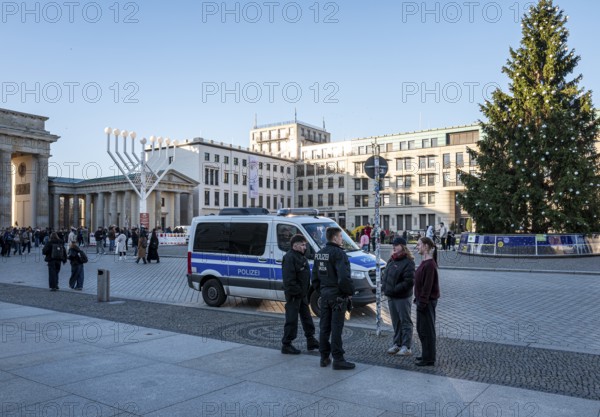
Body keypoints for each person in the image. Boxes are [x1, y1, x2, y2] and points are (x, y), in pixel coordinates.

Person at [311, 227, 355, 370]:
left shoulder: (319, 254)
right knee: (336, 328)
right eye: (341, 236)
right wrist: (349, 292)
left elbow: (315, 278)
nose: (342, 239)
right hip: (337, 296)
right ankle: (338, 359)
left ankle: (324, 357)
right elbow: (344, 278)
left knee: (324, 327)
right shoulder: (339, 254)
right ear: (335, 238)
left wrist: (322, 291)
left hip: (325, 295)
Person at [281, 234, 319, 354]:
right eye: (302, 245)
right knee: (291, 320)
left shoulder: (301, 256)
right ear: (295, 246)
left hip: (302, 295)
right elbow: (289, 280)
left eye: (305, 245)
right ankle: (286, 344)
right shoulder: (289, 258)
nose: (305, 247)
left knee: (307, 318)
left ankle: (311, 340)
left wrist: (304, 293)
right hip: (294, 295)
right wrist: (297, 292)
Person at [382, 237, 415, 357]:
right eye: (393, 245)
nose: (394, 247)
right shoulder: (392, 260)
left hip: (402, 297)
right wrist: (384, 287)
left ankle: (406, 346)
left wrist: (394, 289)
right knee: (396, 322)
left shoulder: (408, 262)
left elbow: (409, 281)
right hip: (391, 296)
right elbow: (385, 275)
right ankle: (397, 344)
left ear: (403, 246)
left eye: (396, 245)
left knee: (405, 321)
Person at [413, 237, 440, 366]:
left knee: (427, 331)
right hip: (422, 301)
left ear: (425, 246)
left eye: (418, 245)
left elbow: (427, 287)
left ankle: (429, 358)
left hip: (426, 303)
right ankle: (425, 355)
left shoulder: (429, 264)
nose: (417, 247)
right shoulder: (425, 262)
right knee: (421, 329)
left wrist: (422, 303)